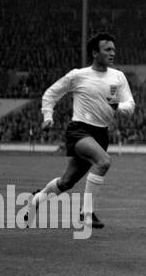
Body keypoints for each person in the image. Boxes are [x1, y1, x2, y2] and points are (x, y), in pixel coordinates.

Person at [28, 32, 135, 230]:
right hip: (79, 130)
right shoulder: (78, 75)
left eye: (114, 49)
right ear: (95, 53)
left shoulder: (118, 77)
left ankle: (35, 201)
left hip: (101, 134)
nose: (113, 53)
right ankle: (86, 213)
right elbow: (51, 93)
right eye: (108, 49)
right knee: (103, 162)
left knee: (67, 182)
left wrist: (119, 107)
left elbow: (130, 104)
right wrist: (48, 116)